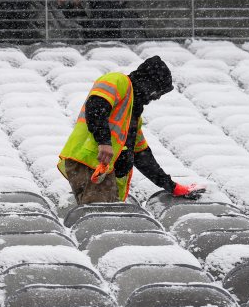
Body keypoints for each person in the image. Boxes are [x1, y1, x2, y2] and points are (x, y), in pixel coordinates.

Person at [57, 56, 205, 204]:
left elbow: (142, 155)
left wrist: (172, 186)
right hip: (91, 163)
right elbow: (96, 106)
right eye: (156, 92)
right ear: (147, 83)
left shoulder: (130, 115)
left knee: (107, 219)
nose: (156, 97)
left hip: (100, 168)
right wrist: (104, 142)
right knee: (101, 217)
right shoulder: (117, 80)